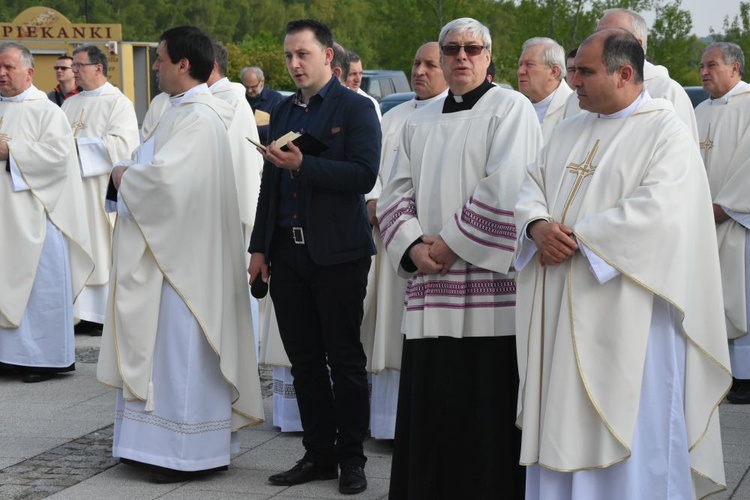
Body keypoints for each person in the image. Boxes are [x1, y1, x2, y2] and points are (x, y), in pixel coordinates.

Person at [515, 29, 731, 499]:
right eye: (572, 70)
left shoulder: (666, 130)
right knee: (561, 417)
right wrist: (535, 225)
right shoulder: (569, 128)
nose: (573, 82)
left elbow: (661, 212)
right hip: (559, 307)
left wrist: (575, 238)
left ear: (625, 73)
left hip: (630, 314)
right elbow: (530, 183)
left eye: (585, 72)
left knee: (632, 425)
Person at [377, 18, 541, 499]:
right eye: (451, 49)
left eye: (472, 48)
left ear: (489, 57)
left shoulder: (510, 108)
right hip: (430, 286)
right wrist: (412, 246)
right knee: (432, 399)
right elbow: (394, 190)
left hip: (489, 291)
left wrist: (447, 245)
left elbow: (508, 185)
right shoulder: (418, 117)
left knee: (483, 402)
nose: (461, 57)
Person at [96, 26, 264, 483]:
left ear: (183, 64)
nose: (155, 66)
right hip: (165, 253)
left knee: (182, 353)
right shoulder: (175, 110)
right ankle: (149, 446)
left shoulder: (201, 117)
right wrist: (130, 172)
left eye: (160, 59)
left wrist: (119, 176)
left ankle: (184, 452)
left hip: (187, 263)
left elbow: (167, 184)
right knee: (163, 352)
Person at [248, 18, 380, 495]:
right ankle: (318, 453)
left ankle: (352, 459)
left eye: (303, 54)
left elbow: (364, 175)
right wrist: (259, 248)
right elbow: (269, 186)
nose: (294, 64)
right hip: (287, 252)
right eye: (288, 56)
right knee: (302, 360)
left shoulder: (356, 107)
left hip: (339, 253)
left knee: (344, 359)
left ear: (328, 56)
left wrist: (306, 163)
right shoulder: (281, 111)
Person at [364, 41, 448, 440]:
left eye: (430, 64)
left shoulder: (457, 114)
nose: (420, 71)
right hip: (389, 236)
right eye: (416, 63)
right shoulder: (393, 116)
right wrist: (372, 199)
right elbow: (374, 168)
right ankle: (384, 424)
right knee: (387, 324)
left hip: (428, 241)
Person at [0, 42, 93, 383]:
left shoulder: (47, 111)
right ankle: (7, 356)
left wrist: (11, 150)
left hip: (37, 218)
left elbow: (58, 159)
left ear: (28, 71)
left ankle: (42, 359)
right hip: (3, 220)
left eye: (8, 67)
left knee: (38, 290)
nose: (2, 73)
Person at [62, 45, 140, 328]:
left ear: (98, 67)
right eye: (74, 67)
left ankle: (98, 315)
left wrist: (74, 149)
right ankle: (77, 310)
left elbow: (123, 146)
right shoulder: (69, 104)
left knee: (99, 247)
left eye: (79, 66)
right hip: (72, 191)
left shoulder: (118, 103)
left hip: (97, 191)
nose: (74, 71)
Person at [694, 42, 750, 404]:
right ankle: (719, 373)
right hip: (701, 220)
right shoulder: (699, 110)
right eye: (701, 66)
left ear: (735, 68)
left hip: (736, 221)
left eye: (711, 65)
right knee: (709, 298)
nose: (703, 72)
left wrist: (725, 206)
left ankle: (745, 377)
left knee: (741, 298)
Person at [564, 8, 699, 141]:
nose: (600, 39)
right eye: (597, 34)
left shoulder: (667, 91)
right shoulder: (576, 96)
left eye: (612, 35)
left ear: (637, 45)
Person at [517, 37, 573, 142]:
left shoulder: (576, 108)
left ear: (553, 71)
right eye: (520, 64)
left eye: (529, 65)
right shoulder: (516, 109)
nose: (520, 71)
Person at [240, 66, 283, 144]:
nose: (249, 91)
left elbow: (280, 128)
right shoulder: (240, 97)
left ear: (262, 81)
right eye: (246, 87)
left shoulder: (276, 99)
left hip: (265, 149)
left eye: (253, 87)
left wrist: (253, 129)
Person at [345, 51, 382, 120]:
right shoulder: (329, 101)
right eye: (353, 74)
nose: (358, 79)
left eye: (360, 73)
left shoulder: (370, 103)